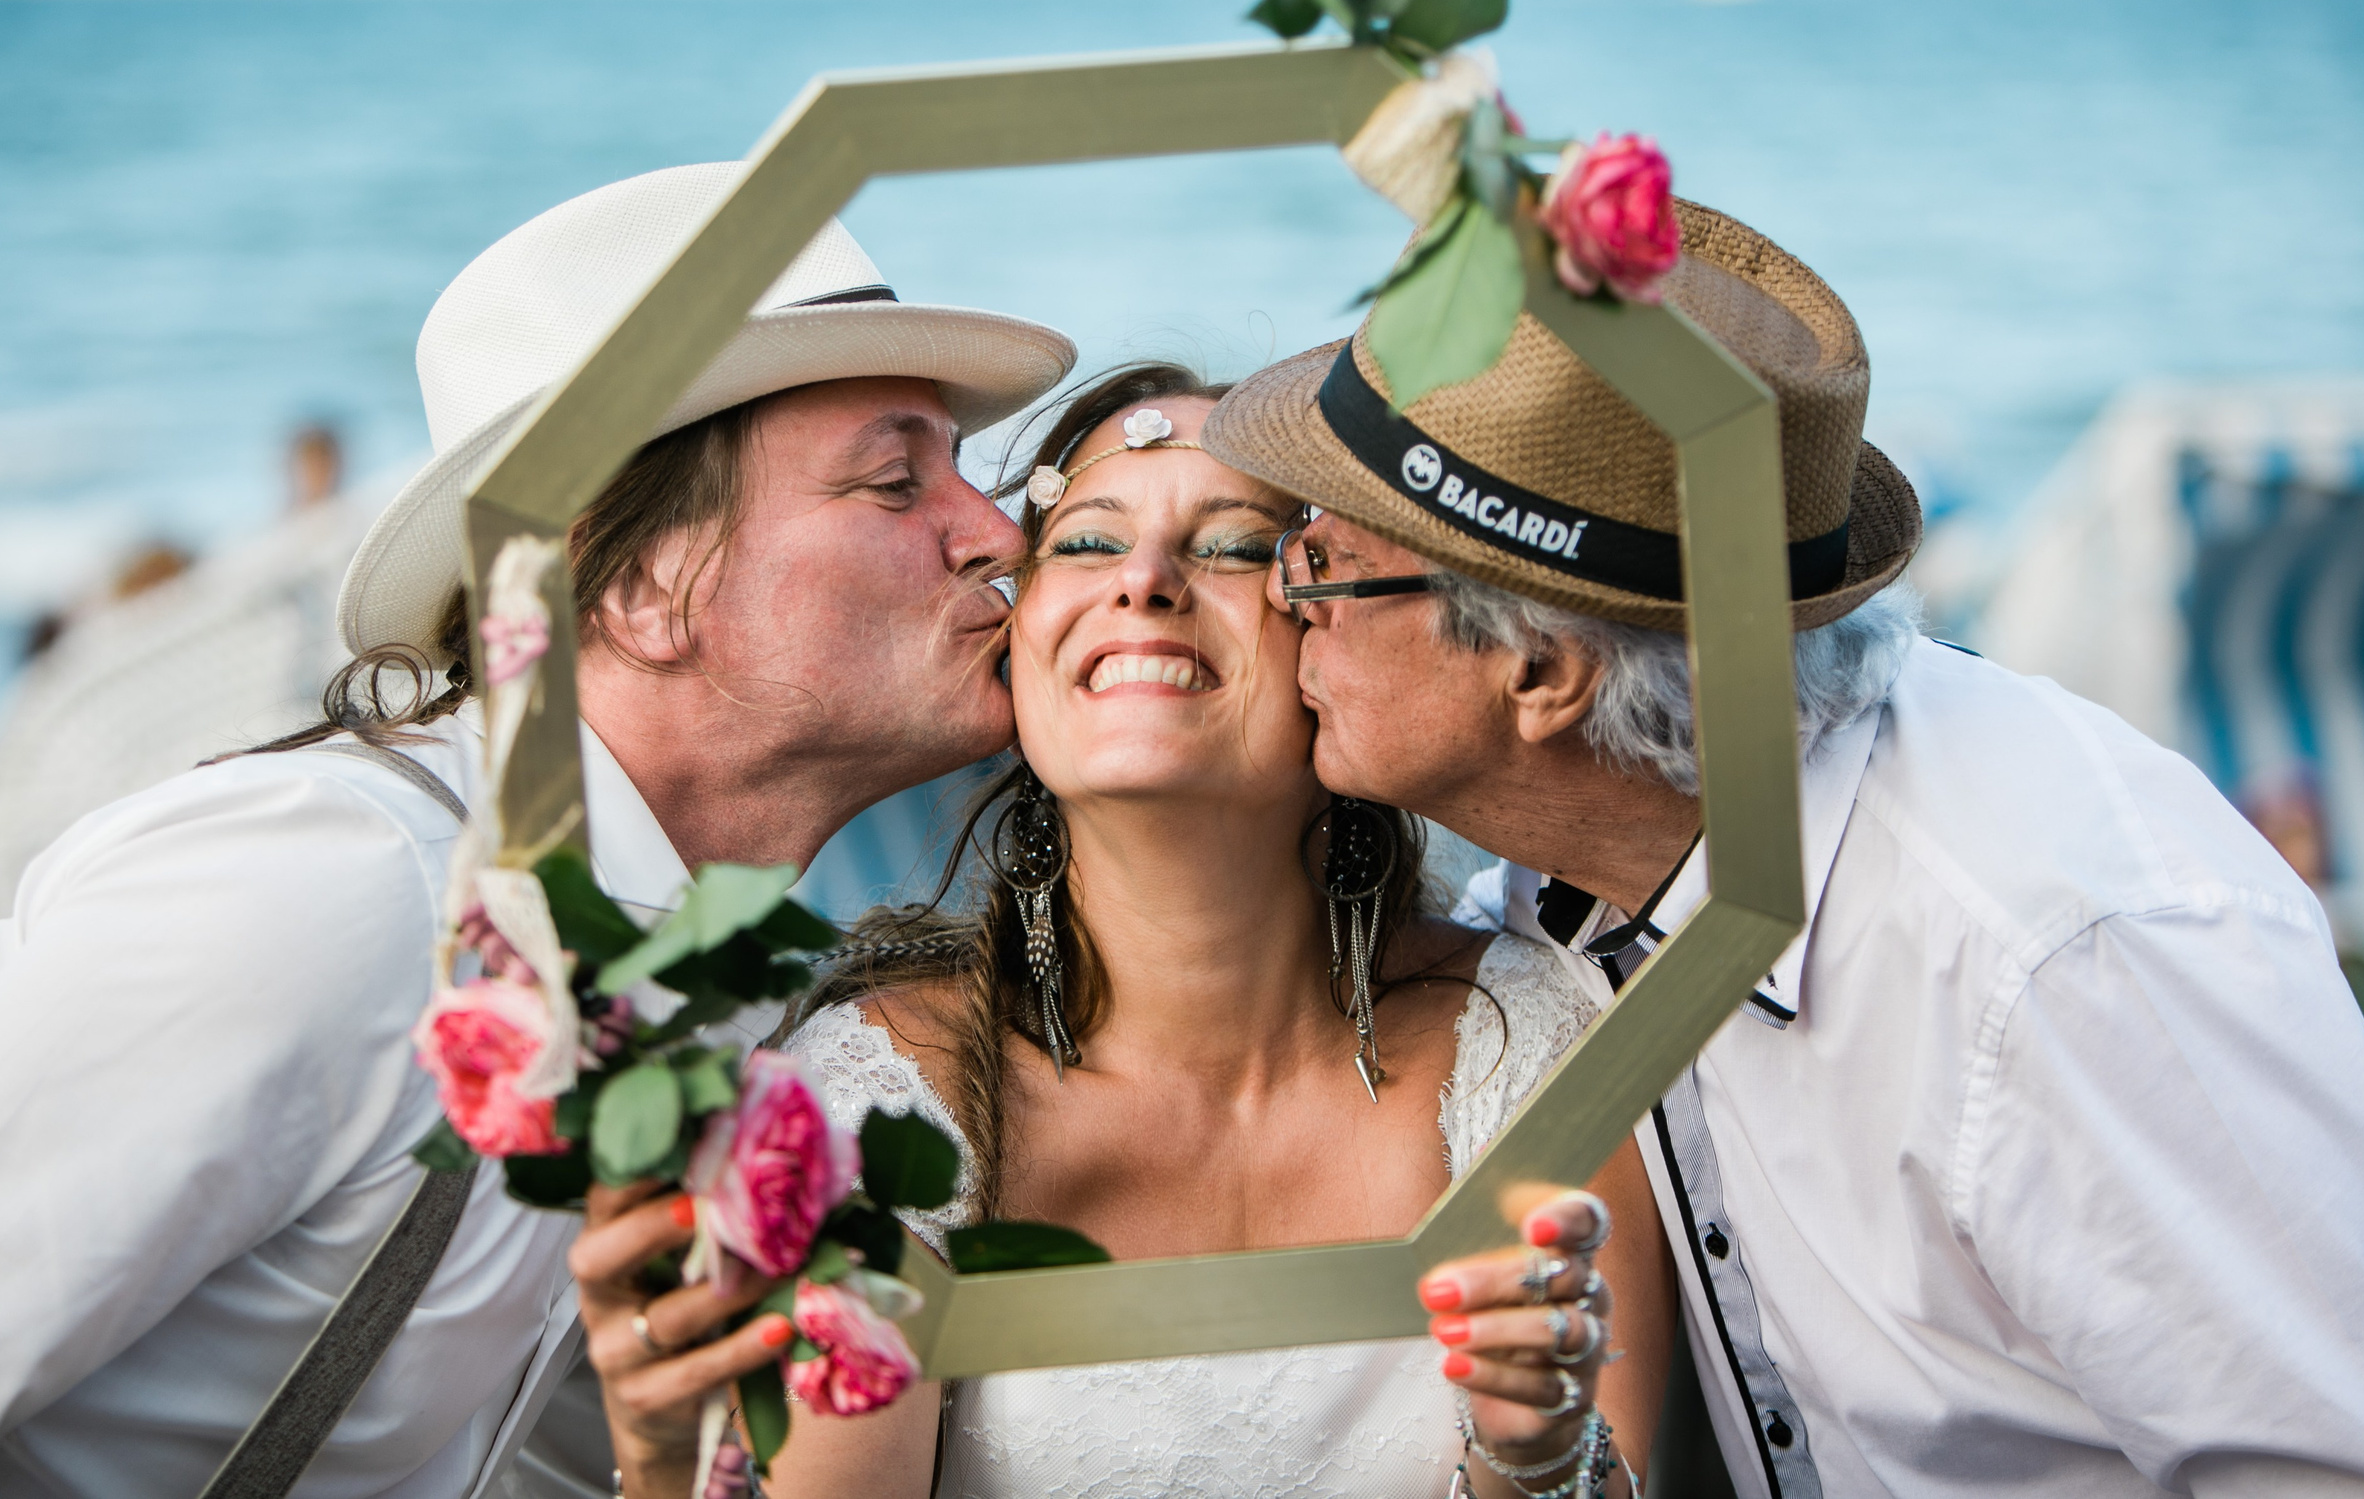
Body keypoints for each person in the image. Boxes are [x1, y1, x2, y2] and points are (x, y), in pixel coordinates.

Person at [0, 162, 1075, 1499]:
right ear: (640, 587)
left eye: (966, 472)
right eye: (897, 482)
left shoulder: (706, 970)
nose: (998, 531)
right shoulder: (323, 893)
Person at [1199, 199, 2364, 1497]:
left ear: (1544, 672)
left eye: (1324, 561)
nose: (1288, 602)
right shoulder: (1559, 890)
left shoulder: (2058, 948)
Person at [709, 365, 1676, 1499]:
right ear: (1016, 649)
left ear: (1334, 639)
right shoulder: (865, 1104)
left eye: (1229, 547)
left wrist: (1534, 1457)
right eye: (1081, 545)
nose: (1145, 584)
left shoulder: (1535, 1049)